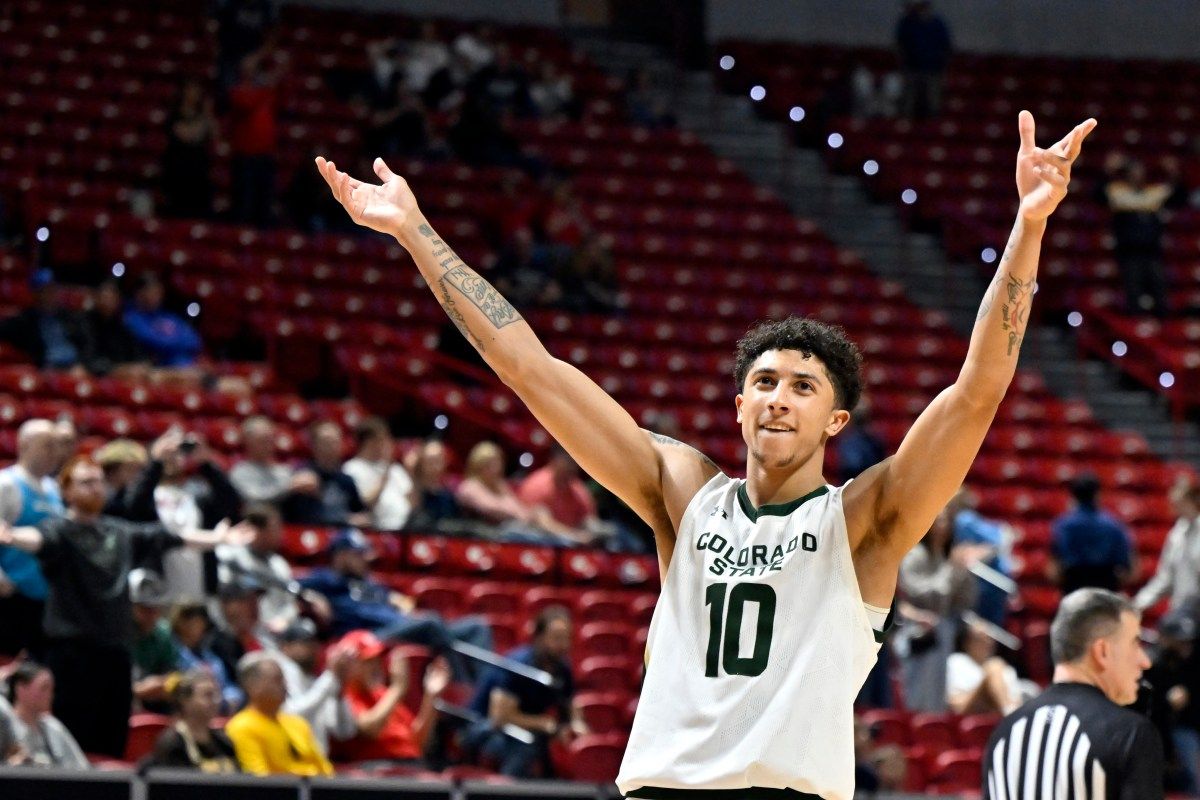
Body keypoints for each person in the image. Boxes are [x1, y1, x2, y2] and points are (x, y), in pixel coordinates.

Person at [315, 109, 1096, 800]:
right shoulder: (685, 491)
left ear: (836, 420)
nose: (778, 397)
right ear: (738, 406)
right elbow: (531, 368)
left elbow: (975, 394)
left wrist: (1029, 227)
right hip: (661, 789)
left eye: (802, 386)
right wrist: (416, 232)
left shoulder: (864, 519)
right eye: (763, 382)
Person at [0, 455, 252, 758]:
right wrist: (12, 536)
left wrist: (216, 538)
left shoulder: (119, 532)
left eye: (98, 482)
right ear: (66, 492)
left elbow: (172, 538)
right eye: (85, 482)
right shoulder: (60, 530)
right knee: (74, 743)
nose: (94, 488)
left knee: (113, 743)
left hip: (116, 653)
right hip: (72, 655)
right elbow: (37, 539)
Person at [983, 589, 1162, 799]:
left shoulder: (1004, 734)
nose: (1145, 661)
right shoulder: (1129, 733)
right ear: (1102, 651)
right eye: (1135, 643)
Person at [297, 529, 493, 663]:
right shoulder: (326, 578)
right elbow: (290, 584)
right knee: (430, 622)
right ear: (340, 556)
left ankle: (483, 685)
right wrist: (310, 596)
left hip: (399, 627)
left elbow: (395, 601)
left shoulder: (369, 583)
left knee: (477, 626)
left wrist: (398, 602)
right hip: (368, 636)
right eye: (357, 554)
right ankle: (463, 688)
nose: (365, 559)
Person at [120, 428, 243, 600]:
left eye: (178, 452)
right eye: (168, 451)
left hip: (199, 592)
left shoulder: (197, 494)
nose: (173, 457)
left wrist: (206, 464)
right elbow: (133, 508)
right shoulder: (147, 492)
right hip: (156, 593)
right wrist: (156, 463)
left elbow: (231, 504)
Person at [464, 606, 586, 778]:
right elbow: (499, 717)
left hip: (525, 730)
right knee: (525, 746)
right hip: (482, 727)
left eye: (567, 638)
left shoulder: (562, 668)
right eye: (557, 638)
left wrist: (576, 723)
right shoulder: (518, 665)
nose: (564, 645)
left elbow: (570, 702)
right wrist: (543, 723)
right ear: (540, 637)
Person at [896, 510, 984, 712]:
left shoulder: (945, 556)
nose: (942, 526)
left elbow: (964, 600)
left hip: (943, 630)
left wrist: (965, 570)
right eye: (937, 520)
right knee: (919, 691)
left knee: (938, 692)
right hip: (917, 631)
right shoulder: (914, 555)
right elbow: (926, 594)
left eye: (946, 520)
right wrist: (952, 568)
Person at [0, 419, 65, 656]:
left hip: (45, 600)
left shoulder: (53, 489)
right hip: (11, 597)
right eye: (47, 445)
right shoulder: (6, 484)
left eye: (57, 445)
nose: (54, 452)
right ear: (24, 444)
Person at [338, 630, 451, 765]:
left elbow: (417, 743)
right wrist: (397, 688)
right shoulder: (342, 695)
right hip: (375, 772)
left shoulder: (382, 694)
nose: (376, 666)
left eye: (378, 659)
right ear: (348, 664)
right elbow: (368, 730)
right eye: (368, 661)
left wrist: (431, 696)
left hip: (409, 768)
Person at [217, 503, 330, 634]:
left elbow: (290, 602)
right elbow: (225, 595)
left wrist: (285, 619)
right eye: (274, 529)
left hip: (274, 632)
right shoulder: (230, 555)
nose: (280, 535)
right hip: (236, 630)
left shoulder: (278, 563)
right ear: (256, 530)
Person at [225, 651, 333, 776]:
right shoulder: (242, 727)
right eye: (277, 680)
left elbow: (326, 770)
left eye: (284, 679)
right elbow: (259, 780)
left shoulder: (297, 723)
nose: (285, 685)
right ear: (252, 686)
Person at [455, 441, 581, 544]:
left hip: (515, 528)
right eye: (489, 464)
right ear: (477, 465)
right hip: (492, 533)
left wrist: (529, 514)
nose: (496, 468)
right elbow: (492, 510)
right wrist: (524, 516)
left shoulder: (500, 486)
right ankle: (568, 538)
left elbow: (518, 508)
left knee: (539, 516)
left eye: (497, 463)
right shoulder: (470, 487)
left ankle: (568, 537)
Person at [1103, 157, 1184, 316]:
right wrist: (1108, 171)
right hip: (1128, 251)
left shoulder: (1153, 194)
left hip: (1153, 251)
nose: (1137, 175)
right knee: (1132, 288)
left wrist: (1174, 172)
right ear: (1127, 174)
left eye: (1140, 171)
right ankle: (1134, 324)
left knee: (1159, 286)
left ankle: (1162, 325)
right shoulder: (1118, 192)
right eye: (1133, 171)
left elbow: (1179, 196)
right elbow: (1098, 194)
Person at [271, 619, 356, 755]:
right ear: (285, 647)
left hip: (317, 766)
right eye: (304, 642)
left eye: (314, 642)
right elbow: (291, 715)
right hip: (290, 766)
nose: (312, 648)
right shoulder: (279, 670)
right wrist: (331, 676)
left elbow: (344, 731)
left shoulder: (316, 680)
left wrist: (339, 691)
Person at [1143, 611, 1200, 795]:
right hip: (1155, 730)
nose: (1186, 645)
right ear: (1165, 638)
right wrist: (1166, 702)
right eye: (1180, 641)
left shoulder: (1191, 660)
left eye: (1188, 641)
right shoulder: (1151, 664)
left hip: (1184, 725)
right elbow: (1146, 708)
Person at [1051, 473, 1135, 595]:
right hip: (1106, 590)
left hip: (1073, 591)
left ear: (1073, 496)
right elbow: (1130, 570)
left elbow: (1053, 571)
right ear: (1097, 495)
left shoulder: (1063, 525)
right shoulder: (1114, 525)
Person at [144, 669, 239, 772]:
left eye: (217, 694)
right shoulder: (172, 744)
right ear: (185, 700)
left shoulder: (224, 742)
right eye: (207, 695)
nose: (215, 701)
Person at [947, 486, 1015, 626]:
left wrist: (973, 554)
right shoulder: (964, 519)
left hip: (990, 580)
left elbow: (996, 542)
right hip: (990, 579)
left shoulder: (964, 519)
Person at [282, 421, 371, 527]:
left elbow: (360, 515)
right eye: (326, 442)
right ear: (314, 445)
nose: (331, 447)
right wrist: (292, 486)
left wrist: (356, 519)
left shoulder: (346, 480)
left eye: (335, 442)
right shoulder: (300, 473)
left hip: (340, 536)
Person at [0, 270, 91, 371]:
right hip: (48, 369)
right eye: (45, 290)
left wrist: (83, 364)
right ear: (36, 294)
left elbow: (86, 344)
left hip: (76, 367)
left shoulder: (70, 317)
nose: (51, 295)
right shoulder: (25, 320)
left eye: (53, 289)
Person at [4, 662, 88, 769]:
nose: (50, 695)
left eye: (51, 689)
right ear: (20, 689)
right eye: (44, 688)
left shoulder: (53, 727)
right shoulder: (5, 727)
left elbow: (80, 767)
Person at [1134, 480, 1200, 615]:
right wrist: (1138, 603)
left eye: (1179, 503)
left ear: (1193, 501)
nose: (1174, 507)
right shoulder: (1176, 534)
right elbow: (1165, 578)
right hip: (1182, 613)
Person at [342, 417, 416, 532]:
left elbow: (414, 503)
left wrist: (411, 472)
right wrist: (385, 474)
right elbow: (366, 504)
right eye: (382, 440)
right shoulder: (352, 468)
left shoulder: (395, 469)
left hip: (407, 527)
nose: (387, 444)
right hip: (379, 529)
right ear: (369, 442)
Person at [170, 601, 245, 713]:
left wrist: (232, 697)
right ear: (181, 623)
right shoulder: (173, 654)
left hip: (221, 708)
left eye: (201, 621)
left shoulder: (210, 655)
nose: (200, 626)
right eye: (193, 621)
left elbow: (227, 684)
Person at [516, 446, 600, 545]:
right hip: (539, 543)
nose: (573, 466)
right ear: (555, 460)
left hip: (574, 544)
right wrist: (576, 536)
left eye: (575, 461)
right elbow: (543, 523)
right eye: (569, 460)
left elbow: (590, 521)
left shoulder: (579, 489)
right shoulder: (537, 485)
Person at [946, 619, 1031, 715]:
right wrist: (987, 686)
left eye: (989, 638)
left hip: (997, 716)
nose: (986, 643)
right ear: (967, 642)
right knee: (994, 667)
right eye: (980, 638)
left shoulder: (1004, 668)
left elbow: (1016, 699)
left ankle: (1010, 714)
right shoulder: (956, 661)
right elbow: (955, 704)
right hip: (969, 712)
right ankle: (1009, 715)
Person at [162, 78, 217, 219]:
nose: (195, 94)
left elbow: (215, 135)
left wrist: (209, 115)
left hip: (199, 171)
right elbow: (187, 135)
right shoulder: (174, 115)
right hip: (179, 171)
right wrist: (204, 119)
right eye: (192, 89)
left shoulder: (203, 116)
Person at [123, 273, 203, 368]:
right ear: (139, 294)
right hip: (155, 368)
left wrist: (169, 343)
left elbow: (194, 340)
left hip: (183, 366)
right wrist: (177, 342)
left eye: (158, 292)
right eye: (151, 291)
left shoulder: (168, 317)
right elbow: (154, 342)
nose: (156, 296)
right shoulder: (132, 318)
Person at [129, 569, 181, 713]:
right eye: (145, 609)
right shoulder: (113, 635)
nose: (152, 616)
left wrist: (166, 683)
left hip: (156, 704)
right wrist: (137, 690)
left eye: (155, 609)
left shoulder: (162, 634)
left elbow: (174, 673)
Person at [229, 416, 307, 508]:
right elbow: (255, 499)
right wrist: (289, 488)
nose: (267, 444)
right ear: (247, 442)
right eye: (262, 440)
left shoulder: (285, 471)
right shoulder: (240, 472)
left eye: (270, 439)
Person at [81, 279, 150, 379]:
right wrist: (118, 369)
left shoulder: (121, 326)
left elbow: (139, 354)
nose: (109, 300)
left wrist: (142, 365)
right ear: (95, 297)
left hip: (124, 377)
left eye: (113, 296)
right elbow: (89, 361)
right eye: (105, 296)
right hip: (98, 377)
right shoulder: (84, 323)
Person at [895, 1, 951, 119]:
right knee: (909, 100)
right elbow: (900, 45)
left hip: (933, 68)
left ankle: (933, 126)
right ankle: (906, 124)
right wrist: (903, 64)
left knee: (933, 101)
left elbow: (946, 46)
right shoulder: (907, 23)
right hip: (912, 68)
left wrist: (942, 67)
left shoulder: (937, 23)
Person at [403, 439, 463, 531]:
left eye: (438, 460)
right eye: (430, 461)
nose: (434, 466)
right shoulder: (414, 491)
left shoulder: (448, 496)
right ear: (421, 463)